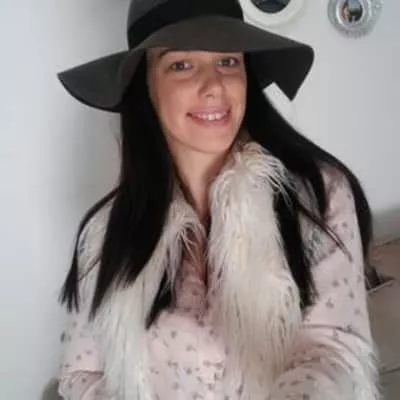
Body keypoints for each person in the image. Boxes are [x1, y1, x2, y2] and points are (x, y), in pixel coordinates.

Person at [56, 0, 379, 399]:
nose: (214, 86)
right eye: (182, 65)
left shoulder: (317, 196)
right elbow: (80, 374)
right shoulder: (104, 235)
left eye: (228, 61)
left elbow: (333, 353)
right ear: (145, 86)